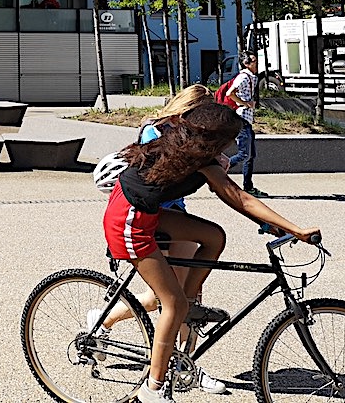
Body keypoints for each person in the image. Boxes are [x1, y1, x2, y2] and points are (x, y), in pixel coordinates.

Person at [101, 103, 320, 403]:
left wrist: (268, 224)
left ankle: (188, 306)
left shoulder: (191, 147)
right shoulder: (198, 157)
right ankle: (152, 390)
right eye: (230, 141)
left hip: (142, 212)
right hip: (128, 221)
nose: (232, 146)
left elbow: (238, 201)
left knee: (213, 237)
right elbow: (240, 197)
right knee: (171, 303)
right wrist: (295, 229)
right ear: (216, 140)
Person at [91, 85, 231, 395]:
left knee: (190, 296)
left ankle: (185, 364)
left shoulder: (189, 136)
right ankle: (106, 323)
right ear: (190, 113)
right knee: (170, 299)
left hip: (176, 214)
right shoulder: (155, 134)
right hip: (153, 219)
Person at [226, 53, 266, 197]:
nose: (257, 63)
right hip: (242, 119)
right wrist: (245, 103)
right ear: (247, 63)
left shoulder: (251, 77)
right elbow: (229, 93)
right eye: (254, 61)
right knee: (244, 154)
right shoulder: (243, 77)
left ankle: (248, 187)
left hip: (246, 120)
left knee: (250, 155)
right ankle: (219, 168)